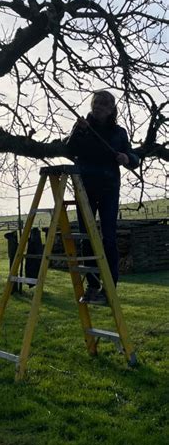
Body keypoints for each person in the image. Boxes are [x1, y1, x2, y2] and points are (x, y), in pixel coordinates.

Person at [66, 90, 139, 305]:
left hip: (108, 188)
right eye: (95, 104)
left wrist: (126, 157)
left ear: (110, 110)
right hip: (84, 188)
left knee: (108, 238)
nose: (97, 108)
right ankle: (92, 285)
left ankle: (110, 288)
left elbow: (134, 159)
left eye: (102, 105)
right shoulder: (83, 127)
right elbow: (69, 149)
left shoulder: (119, 133)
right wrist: (77, 131)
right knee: (87, 236)